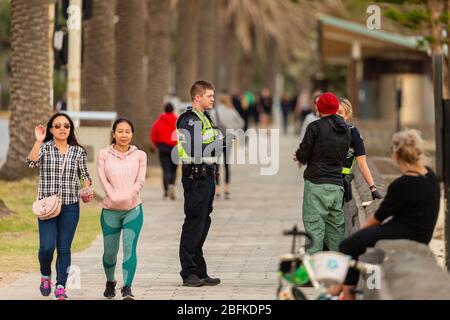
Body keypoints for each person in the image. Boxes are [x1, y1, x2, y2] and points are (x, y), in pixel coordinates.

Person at [335, 129, 440, 300]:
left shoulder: (402, 184)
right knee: (356, 245)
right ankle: (343, 291)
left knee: (347, 246)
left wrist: (360, 235)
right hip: (422, 234)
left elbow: (377, 219)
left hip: (404, 233)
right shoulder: (430, 175)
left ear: (395, 154)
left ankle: (344, 293)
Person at [26, 112, 93, 300]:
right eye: (57, 126)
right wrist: (38, 140)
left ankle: (61, 285)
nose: (62, 129)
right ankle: (45, 275)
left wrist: (86, 189)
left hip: (71, 205)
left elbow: (84, 175)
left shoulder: (78, 151)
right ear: (51, 130)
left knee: (64, 248)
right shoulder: (45, 148)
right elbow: (31, 162)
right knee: (47, 247)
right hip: (47, 206)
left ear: (70, 129)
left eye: (66, 126)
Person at [176, 80, 232, 287]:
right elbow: (194, 147)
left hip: (207, 176)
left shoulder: (205, 117)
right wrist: (220, 142)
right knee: (194, 223)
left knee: (203, 223)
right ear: (197, 97)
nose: (212, 99)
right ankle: (188, 272)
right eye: (209, 96)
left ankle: (199, 270)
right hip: (196, 178)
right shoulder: (189, 119)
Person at [293, 92, 351, 255]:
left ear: (319, 108)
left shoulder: (315, 127)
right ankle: (338, 273)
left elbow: (304, 154)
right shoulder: (346, 130)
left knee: (314, 231)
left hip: (316, 184)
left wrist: (298, 156)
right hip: (336, 186)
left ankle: (312, 274)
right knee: (336, 232)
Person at [97, 118, 147, 300]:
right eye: (120, 131)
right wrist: (113, 195)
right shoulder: (104, 154)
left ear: (132, 134)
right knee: (110, 252)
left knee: (129, 247)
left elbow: (140, 180)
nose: (123, 135)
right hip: (110, 209)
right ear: (114, 134)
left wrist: (129, 195)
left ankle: (127, 287)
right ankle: (110, 282)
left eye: (127, 131)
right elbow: (103, 179)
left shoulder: (140, 155)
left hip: (133, 209)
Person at [337, 98, 382, 235]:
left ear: (347, 115)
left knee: (339, 225)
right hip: (323, 181)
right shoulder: (323, 129)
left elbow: (362, 163)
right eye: (334, 112)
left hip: (341, 185)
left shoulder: (353, 133)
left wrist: (372, 187)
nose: (337, 115)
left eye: (340, 112)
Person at [210, 93, 244, 200]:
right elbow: (241, 123)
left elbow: (209, 124)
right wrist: (232, 127)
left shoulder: (214, 112)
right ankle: (227, 189)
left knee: (217, 165)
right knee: (226, 164)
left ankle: (218, 189)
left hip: (216, 139)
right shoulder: (232, 111)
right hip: (228, 138)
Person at [151, 103, 178, 200]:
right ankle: (172, 185)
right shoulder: (177, 121)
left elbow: (153, 135)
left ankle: (166, 190)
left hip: (162, 148)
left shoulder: (158, 122)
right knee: (174, 169)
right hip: (175, 148)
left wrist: (156, 145)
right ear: (173, 110)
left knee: (166, 170)